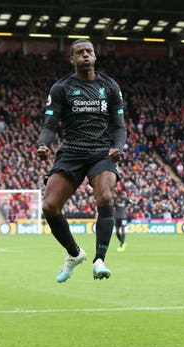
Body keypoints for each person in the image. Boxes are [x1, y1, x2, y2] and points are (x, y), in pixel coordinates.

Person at [36, 38, 127, 282]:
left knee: (106, 196)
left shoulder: (109, 86)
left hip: (101, 152)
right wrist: (43, 144)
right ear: (72, 59)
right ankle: (74, 253)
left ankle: (99, 259)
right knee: (49, 206)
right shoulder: (61, 88)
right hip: (72, 152)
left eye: (89, 51)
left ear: (95, 57)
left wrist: (118, 147)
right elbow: (49, 124)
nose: (85, 55)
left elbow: (119, 126)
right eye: (80, 53)